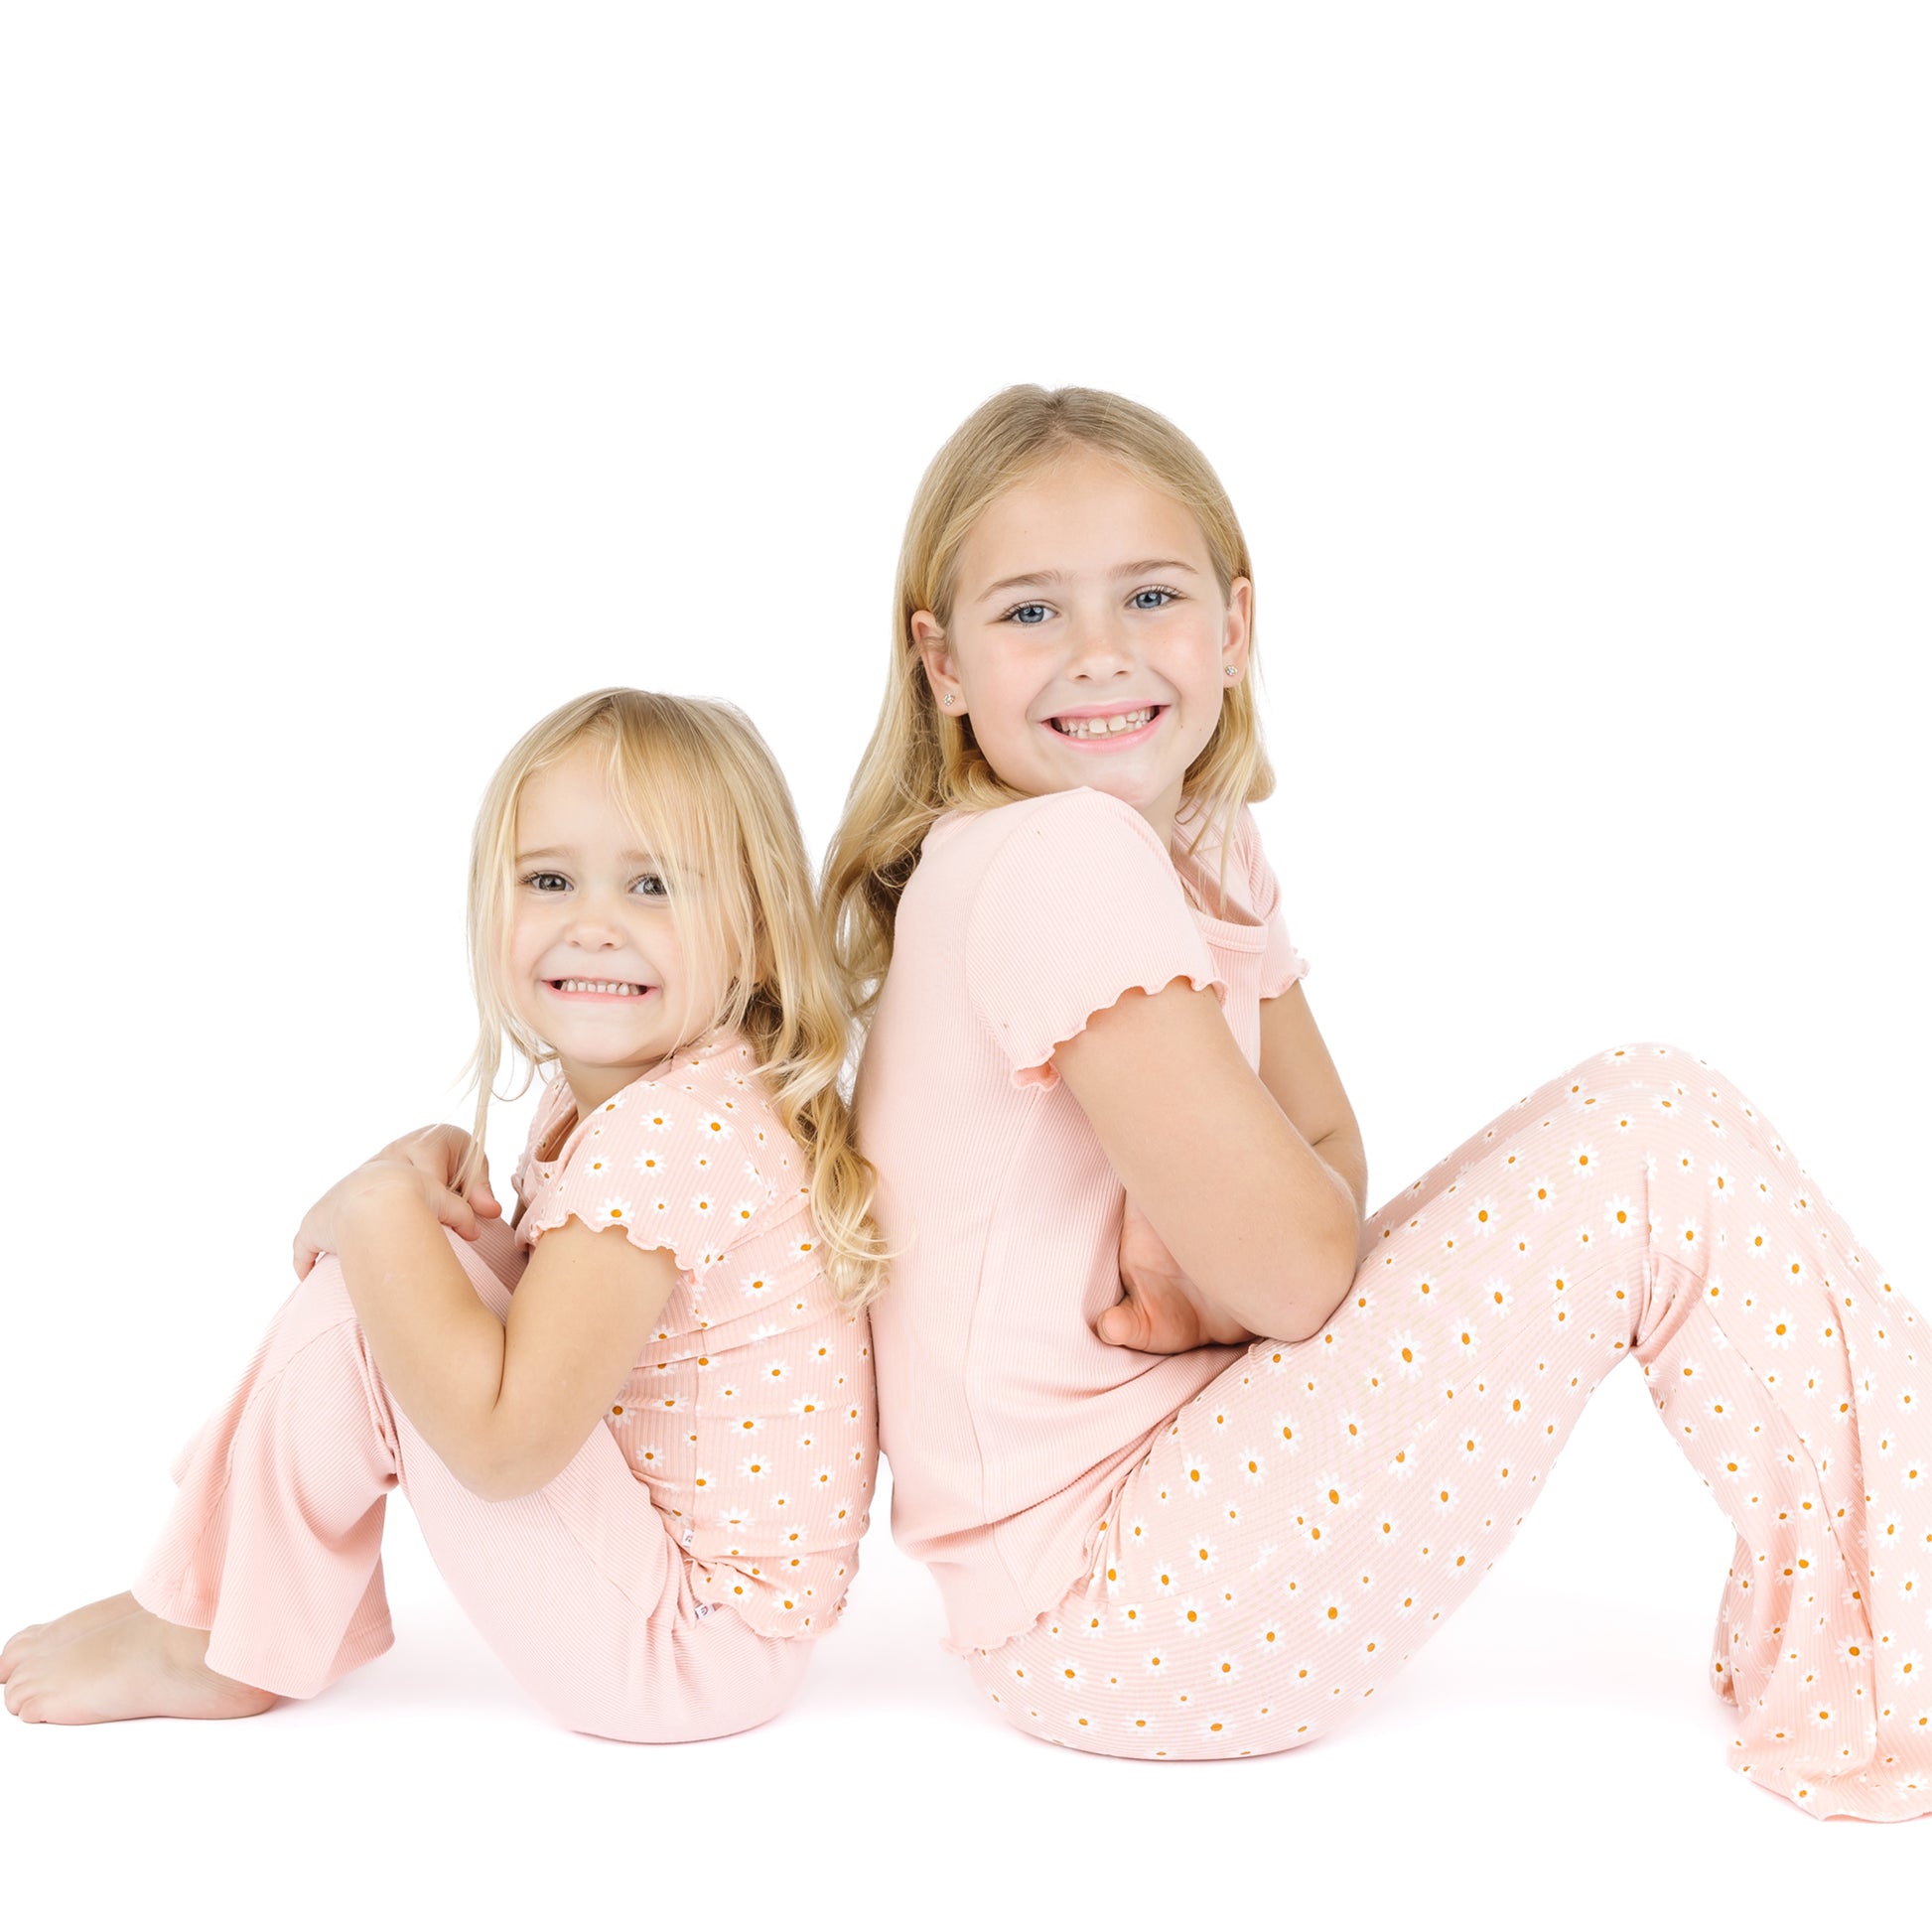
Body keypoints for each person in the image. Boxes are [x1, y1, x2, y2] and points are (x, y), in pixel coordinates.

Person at [822, 383, 1929, 1820]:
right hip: (1117, 1602)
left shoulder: (1196, 848)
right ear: (942, 664)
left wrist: (1222, 1275)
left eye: (1146, 594)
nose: (1096, 652)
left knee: (1650, 1123)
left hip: (1179, 1521)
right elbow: (1296, 1265)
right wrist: (1243, 1268)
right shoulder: (1055, 861)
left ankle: (1889, 1587)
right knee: (1652, 1139)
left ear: (1231, 626)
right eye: (1028, 612)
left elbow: (1328, 1168)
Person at [3, 687, 886, 1741]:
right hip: (710, 1629)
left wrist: (381, 1210)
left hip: (682, 1648)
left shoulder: (667, 1136)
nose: (591, 923)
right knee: (397, 1283)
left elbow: (506, 1446)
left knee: (361, 1313)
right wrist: (454, 1228)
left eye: (652, 883)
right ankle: (232, 1608)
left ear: (753, 928)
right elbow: (583, 1334)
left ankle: (218, 1628)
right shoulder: (652, 1095)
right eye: (548, 879)